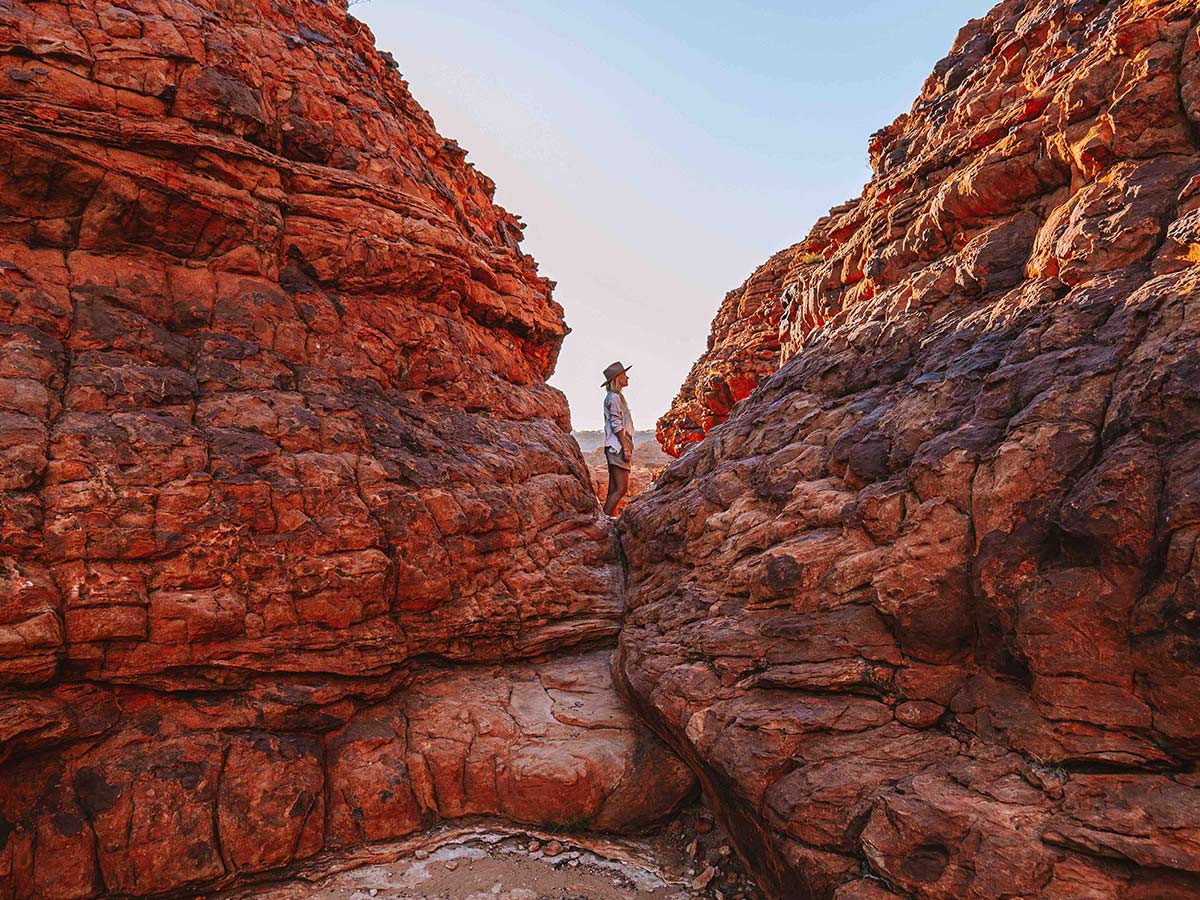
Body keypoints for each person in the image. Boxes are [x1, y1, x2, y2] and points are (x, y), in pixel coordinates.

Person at [601, 361, 634, 516]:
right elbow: (616, 423)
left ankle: (608, 522)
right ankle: (605, 521)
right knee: (621, 488)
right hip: (618, 447)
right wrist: (625, 447)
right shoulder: (614, 398)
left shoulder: (615, 397)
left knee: (614, 489)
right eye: (624, 375)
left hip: (614, 446)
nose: (627, 377)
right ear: (617, 378)